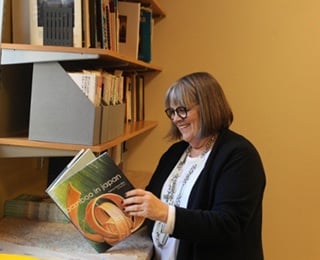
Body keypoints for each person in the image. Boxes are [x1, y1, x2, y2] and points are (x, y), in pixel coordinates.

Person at [123, 72, 266, 260]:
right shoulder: (175, 153)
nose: (176, 119)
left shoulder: (239, 155)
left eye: (182, 110)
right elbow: (153, 199)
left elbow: (228, 225)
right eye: (172, 112)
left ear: (208, 107)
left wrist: (165, 212)